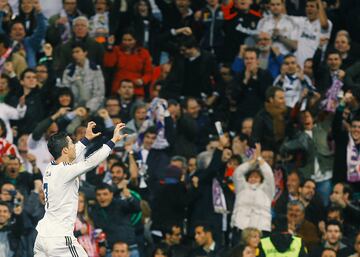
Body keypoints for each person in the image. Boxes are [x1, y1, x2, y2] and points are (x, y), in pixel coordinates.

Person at [33, 121, 126, 257]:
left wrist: (86, 139)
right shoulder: (65, 171)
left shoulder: (51, 168)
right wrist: (112, 141)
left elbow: (70, 156)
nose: (74, 147)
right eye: (71, 144)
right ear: (65, 150)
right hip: (60, 239)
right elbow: (90, 162)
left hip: (42, 237)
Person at [231, 143, 275, 244]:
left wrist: (259, 159)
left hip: (261, 229)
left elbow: (269, 175)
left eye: (256, 177)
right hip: (240, 227)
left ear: (261, 179)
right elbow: (237, 173)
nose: (253, 178)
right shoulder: (241, 188)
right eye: (251, 176)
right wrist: (251, 162)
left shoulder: (267, 190)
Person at [104, 29, 153, 97]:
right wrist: (110, 47)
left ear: (135, 40)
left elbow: (149, 72)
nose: (127, 42)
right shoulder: (116, 50)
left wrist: (142, 80)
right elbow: (108, 64)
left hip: (136, 90)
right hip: (118, 90)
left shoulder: (143, 53)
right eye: (125, 40)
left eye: (130, 40)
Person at [60, 42, 105, 113]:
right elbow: (65, 91)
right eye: (73, 52)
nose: (75, 55)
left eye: (77, 51)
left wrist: (87, 109)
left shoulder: (95, 69)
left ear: (85, 53)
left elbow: (99, 94)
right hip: (74, 109)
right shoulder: (68, 71)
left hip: (92, 109)